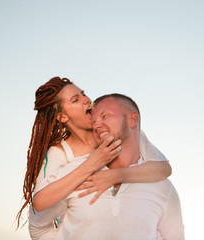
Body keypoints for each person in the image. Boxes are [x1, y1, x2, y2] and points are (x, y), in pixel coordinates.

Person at [15, 77, 172, 239]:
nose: (86, 100)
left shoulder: (118, 129)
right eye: (76, 100)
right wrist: (93, 163)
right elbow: (40, 202)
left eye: (83, 94)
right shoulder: (61, 153)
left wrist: (115, 175)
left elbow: (163, 168)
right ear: (62, 117)